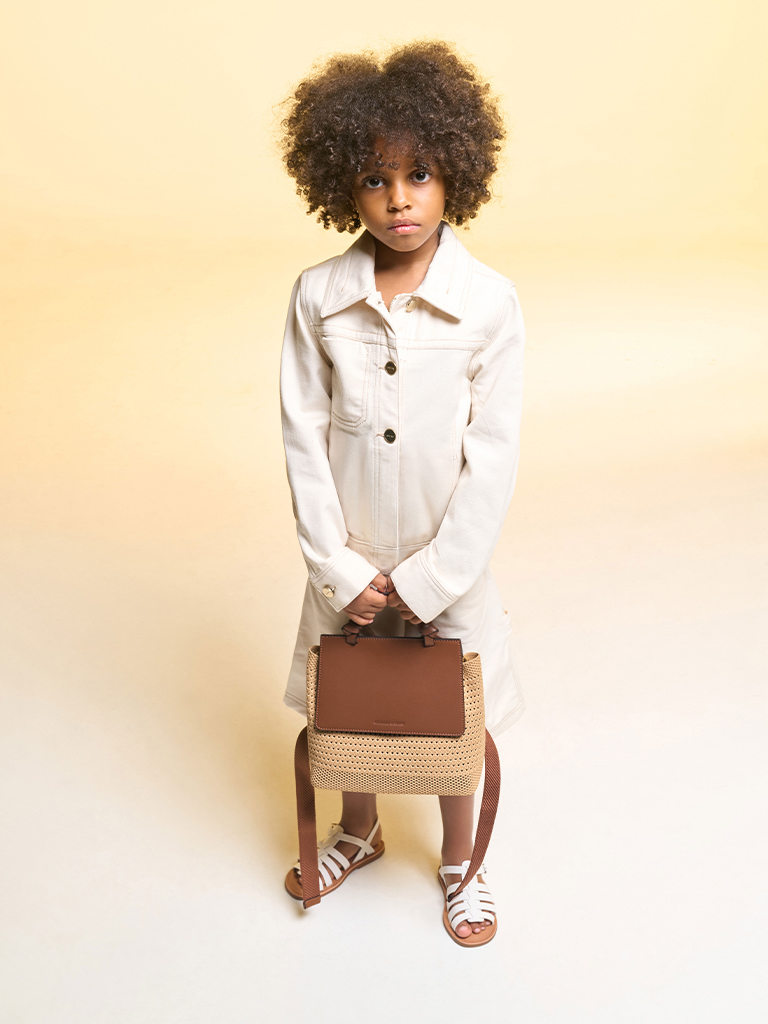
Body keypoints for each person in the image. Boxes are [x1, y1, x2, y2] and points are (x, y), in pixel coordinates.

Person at [277, 40, 525, 947]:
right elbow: (302, 439)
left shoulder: (489, 303)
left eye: (418, 174)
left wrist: (433, 578)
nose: (399, 199)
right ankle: (359, 829)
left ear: (456, 171)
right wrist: (338, 568)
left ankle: (461, 861)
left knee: (451, 719)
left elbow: (493, 455)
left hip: (444, 563)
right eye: (375, 179)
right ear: (340, 183)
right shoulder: (318, 299)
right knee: (349, 705)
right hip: (349, 559)